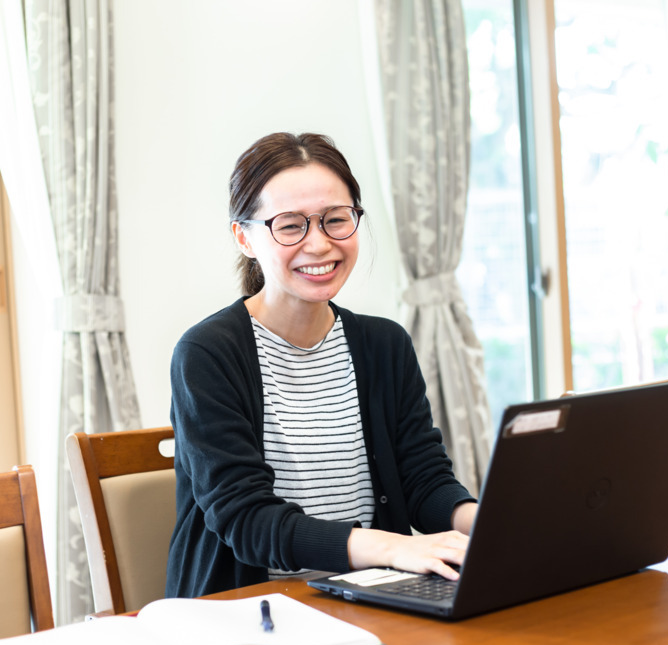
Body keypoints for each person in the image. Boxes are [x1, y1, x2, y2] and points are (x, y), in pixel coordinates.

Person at [166, 132, 478, 599]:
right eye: (290, 226)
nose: (319, 244)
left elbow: (423, 481)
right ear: (244, 237)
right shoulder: (208, 353)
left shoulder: (384, 344)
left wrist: (493, 523)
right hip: (250, 608)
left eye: (336, 219)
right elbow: (246, 520)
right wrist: (390, 548)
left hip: (369, 596)